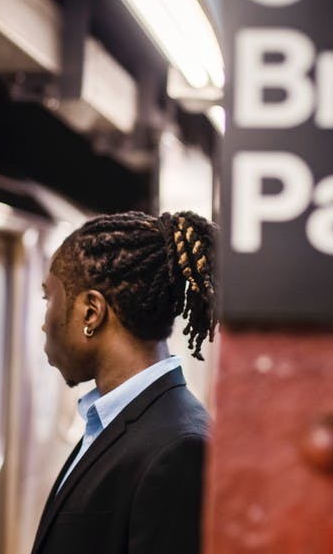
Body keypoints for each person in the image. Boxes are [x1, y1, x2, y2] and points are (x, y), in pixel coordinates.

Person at [31, 211, 218, 554]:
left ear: (91, 312)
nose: (44, 324)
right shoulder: (115, 420)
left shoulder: (179, 450)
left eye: (49, 299)